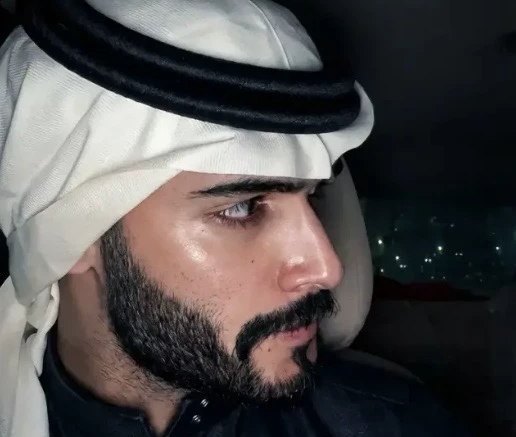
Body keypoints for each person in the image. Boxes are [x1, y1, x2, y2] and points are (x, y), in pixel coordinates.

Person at [0, 0, 470, 436]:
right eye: (241, 208)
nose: (328, 269)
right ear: (69, 236)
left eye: (315, 196)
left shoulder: (394, 424)